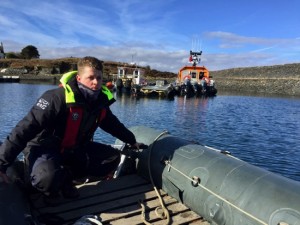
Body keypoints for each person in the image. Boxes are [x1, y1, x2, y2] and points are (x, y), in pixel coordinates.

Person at [0, 56, 143, 199]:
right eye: (91, 78)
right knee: (46, 179)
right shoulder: (55, 98)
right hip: (44, 148)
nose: (96, 83)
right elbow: (24, 129)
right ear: (79, 78)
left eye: (99, 78)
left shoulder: (99, 102)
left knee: (112, 158)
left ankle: (66, 178)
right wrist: (2, 164)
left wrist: (132, 140)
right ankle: (43, 178)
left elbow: (113, 125)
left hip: (73, 148)